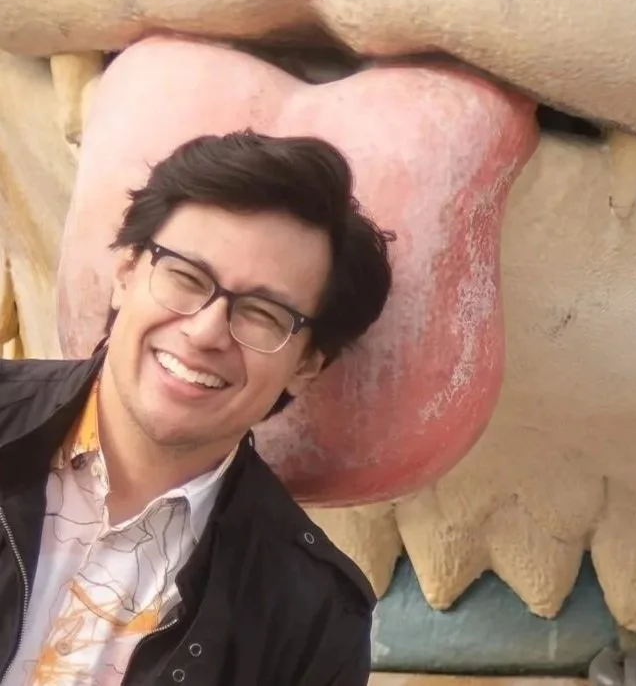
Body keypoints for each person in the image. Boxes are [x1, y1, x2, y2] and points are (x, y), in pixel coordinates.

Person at [0, 130, 395, 686]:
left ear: (306, 364)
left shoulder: (311, 617)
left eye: (263, 313)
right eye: (186, 277)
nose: (207, 331)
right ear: (127, 270)